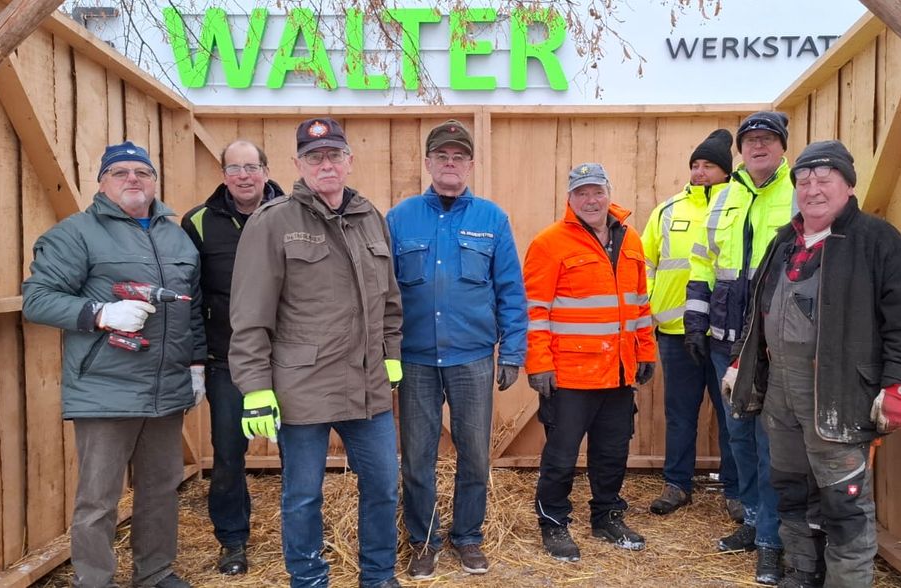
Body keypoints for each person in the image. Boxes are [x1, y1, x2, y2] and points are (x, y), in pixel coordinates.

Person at [725, 140, 901, 588]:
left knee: (843, 503)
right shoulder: (783, 242)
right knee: (792, 492)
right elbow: (757, 312)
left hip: (838, 394)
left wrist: (900, 386)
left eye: (825, 179)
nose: (813, 189)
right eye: (804, 180)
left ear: (848, 186)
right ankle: (802, 572)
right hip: (780, 392)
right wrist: (742, 363)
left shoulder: (876, 241)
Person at [228, 118, 403, 588]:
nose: (325, 164)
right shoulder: (273, 221)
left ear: (349, 160)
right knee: (303, 495)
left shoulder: (370, 217)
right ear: (297, 165)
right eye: (314, 157)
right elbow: (250, 316)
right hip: (300, 387)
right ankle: (308, 579)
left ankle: (379, 577)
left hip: (368, 387)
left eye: (333, 155)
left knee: (384, 487)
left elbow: (390, 301)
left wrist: (391, 354)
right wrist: (256, 390)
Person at [22, 141, 204, 588]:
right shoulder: (76, 233)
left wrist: (196, 365)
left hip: (165, 388)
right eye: (120, 172)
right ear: (102, 182)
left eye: (141, 172)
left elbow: (192, 308)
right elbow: (37, 299)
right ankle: (95, 578)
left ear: (154, 182)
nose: (132, 180)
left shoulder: (176, 235)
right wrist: (99, 313)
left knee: (161, 491)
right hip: (104, 388)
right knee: (99, 499)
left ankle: (156, 572)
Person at [387, 119, 527, 579]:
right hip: (415, 360)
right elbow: (383, 293)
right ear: (428, 163)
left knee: (474, 453)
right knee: (418, 455)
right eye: (442, 156)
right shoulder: (399, 218)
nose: (450, 163)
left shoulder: (492, 219)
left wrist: (512, 352)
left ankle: (468, 537)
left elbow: (510, 288)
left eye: (459, 157)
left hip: (472, 358)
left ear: (470, 164)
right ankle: (423, 540)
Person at [524, 163, 657, 562]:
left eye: (597, 191)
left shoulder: (630, 238)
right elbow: (534, 310)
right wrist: (538, 363)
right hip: (569, 375)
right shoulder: (550, 243)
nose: (591, 200)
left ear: (608, 192)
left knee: (613, 451)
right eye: (581, 193)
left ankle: (607, 517)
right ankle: (554, 522)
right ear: (570, 199)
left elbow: (639, 303)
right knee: (561, 456)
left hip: (618, 371)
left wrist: (645, 351)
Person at [686, 111, 796, 585]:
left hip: (774, 348)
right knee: (740, 440)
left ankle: (772, 542)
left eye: (767, 139)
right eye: (750, 140)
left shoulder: (798, 193)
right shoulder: (727, 196)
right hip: (725, 342)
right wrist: (695, 319)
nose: (757, 147)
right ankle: (752, 521)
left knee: (772, 446)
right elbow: (704, 262)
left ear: (782, 146)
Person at [180, 140, 285, 575]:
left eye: (252, 166)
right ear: (224, 174)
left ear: (266, 169)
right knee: (227, 455)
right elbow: (190, 293)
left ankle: (302, 537)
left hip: (289, 359)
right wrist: (195, 357)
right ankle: (233, 541)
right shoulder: (198, 222)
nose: (244, 175)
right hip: (228, 360)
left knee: (298, 451)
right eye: (234, 168)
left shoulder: (293, 213)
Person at [641, 129, 743, 521]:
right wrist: (652, 303)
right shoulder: (668, 211)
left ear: (725, 171)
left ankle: (735, 490)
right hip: (674, 333)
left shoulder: (737, 208)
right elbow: (646, 262)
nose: (700, 172)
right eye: (695, 165)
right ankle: (676, 484)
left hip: (722, 336)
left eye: (709, 166)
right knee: (680, 413)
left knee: (732, 415)